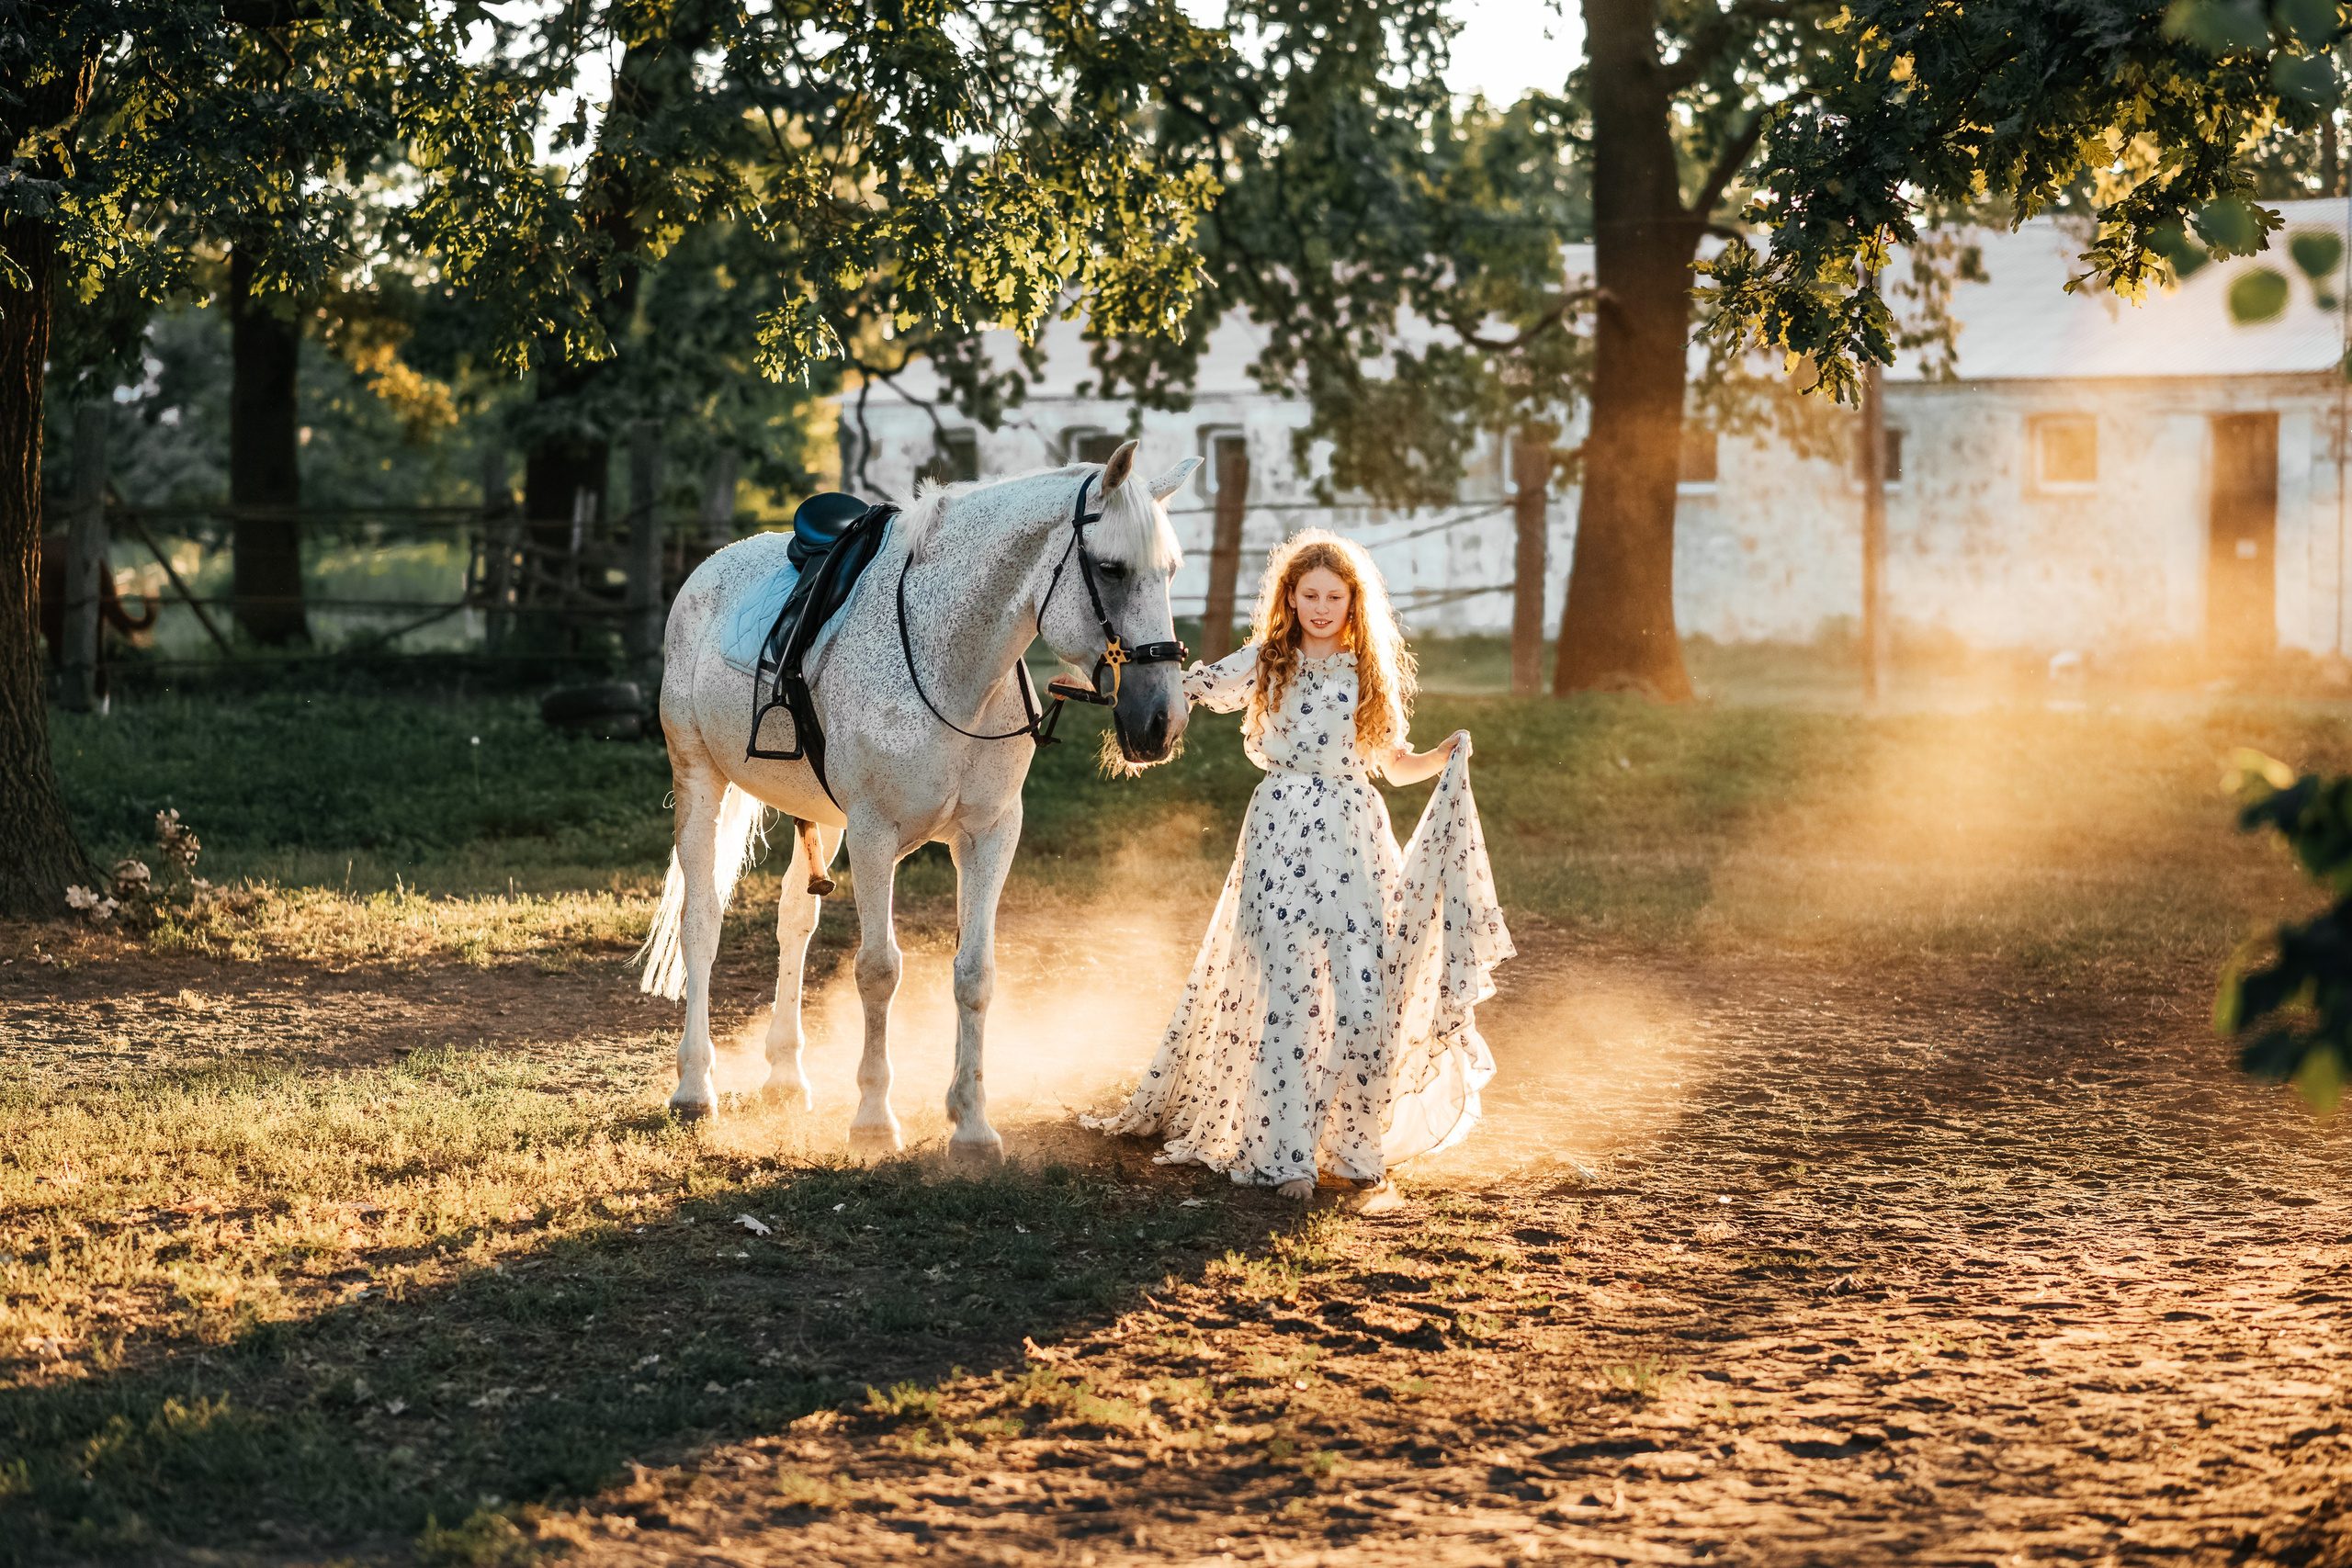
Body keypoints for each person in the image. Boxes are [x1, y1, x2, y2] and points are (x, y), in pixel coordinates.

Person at [1085, 529, 1513, 1213]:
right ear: (1289, 597)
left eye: (1333, 596)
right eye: (1308, 594)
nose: (1320, 607)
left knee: (1360, 990)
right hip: (1281, 830)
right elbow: (1194, 688)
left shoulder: (1365, 671)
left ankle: (1352, 1149)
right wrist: (1136, 704)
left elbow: (1390, 761)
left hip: (1355, 838)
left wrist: (1439, 757)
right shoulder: (1268, 660)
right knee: (1286, 985)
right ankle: (1285, 1154)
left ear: (1352, 602)